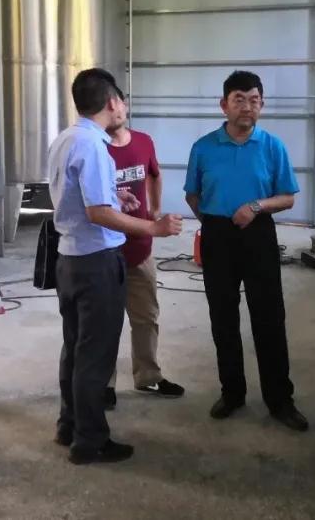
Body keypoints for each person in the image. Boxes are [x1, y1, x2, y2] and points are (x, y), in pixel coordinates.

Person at [48, 68, 182, 464]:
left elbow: (78, 198)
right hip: (96, 263)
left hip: (70, 259)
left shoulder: (66, 139)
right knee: (95, 355)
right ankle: (90, 441)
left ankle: (69, 424)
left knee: (75, 348)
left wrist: (113, 196)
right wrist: (153, 227)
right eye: (120, 99)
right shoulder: (93, 145)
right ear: (111, 103)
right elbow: (98, 213)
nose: (123, 105)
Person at [184, 70, 308, 432]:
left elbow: (287, 197)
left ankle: (280, 399)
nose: (247, 107)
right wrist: (214, 222)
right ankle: (232, 392)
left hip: (258, 234)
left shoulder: (272, 146)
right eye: (239, 100)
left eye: (254, 100)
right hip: (217, 236)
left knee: (269, 318)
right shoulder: (203, 147)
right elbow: (193, 195)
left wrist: (256, 206)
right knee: (223, 318)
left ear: (262, 105)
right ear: (224, 105)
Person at [103, 104, 185, 409]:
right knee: (106, 323)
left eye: (117, 102)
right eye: (107, 104)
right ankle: (104, 384)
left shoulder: (143, 141)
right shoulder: (94, 148)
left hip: (141, 249)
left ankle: (148, 375)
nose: (114, 110)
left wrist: (155, 209)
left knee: (146, 317)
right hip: (105, 252)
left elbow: (154, 174)